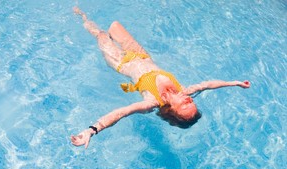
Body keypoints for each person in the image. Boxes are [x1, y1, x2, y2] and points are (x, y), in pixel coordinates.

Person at [71, 7, 250, 148]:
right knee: (115, 27)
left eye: (185, 104)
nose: (189, 99)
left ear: (172, 110)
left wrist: (92, 130)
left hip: (121, 62)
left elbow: (121, 113)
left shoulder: (151, 102)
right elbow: (208, 84)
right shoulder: (184, 91)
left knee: (101, 34)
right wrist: (234, 83)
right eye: (192, 102)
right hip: (141, 54)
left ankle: (81, 16)